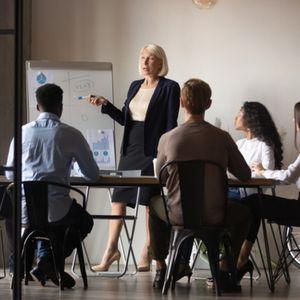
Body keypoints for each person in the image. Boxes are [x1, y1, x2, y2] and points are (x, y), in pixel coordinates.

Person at [149, 78, 251, 290]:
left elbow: (161, 178)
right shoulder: (222, 137)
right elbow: (244, 174)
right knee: (246, 214)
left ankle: (161, 268)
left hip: (178, 214)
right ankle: (224, 269)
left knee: (154, 205)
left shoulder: (167, 138)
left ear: (181, 103)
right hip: (216, 215)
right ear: (209, 104)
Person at [88, 44, 180, 272]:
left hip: (153, 152)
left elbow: (170, 124)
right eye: (142, 57)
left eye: (150, 58)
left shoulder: (170, 87)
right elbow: (125, 119)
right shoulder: (134, 86)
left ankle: (148, 250)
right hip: (130, 150)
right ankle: (111, 251)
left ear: (160, 63)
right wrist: (106, 105)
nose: (145, 61)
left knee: (150, 201)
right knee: (118, 199)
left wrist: (165, 155)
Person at [5, 83, 99, 287]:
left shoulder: (21, 133)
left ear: (37, 107)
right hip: (58, 212)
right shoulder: (71, 134)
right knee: (84, 221)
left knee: (37, 222)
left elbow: (9, 173)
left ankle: (33, 263)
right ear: (61, 106)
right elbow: (92, 175)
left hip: (24, 211)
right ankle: (48, 261)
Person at [237, 101, 300, 282]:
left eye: (295, 117)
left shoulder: (264, 144)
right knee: (254, 203)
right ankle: (239, 261)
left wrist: (264, 171)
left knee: (253, 203)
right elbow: (291, 175)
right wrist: (267, 172)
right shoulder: (240, 143)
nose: (292, 120)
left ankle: (238, 261)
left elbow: (288, 176)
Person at [229, 101, 283, 199]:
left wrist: (242, 174)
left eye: (240, 114)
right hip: (230, 187)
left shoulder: (264, 145)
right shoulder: (239, 143)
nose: (235, 118)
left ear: (250, 122)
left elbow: (268, 173)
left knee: (210, 199)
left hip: (246, 194)